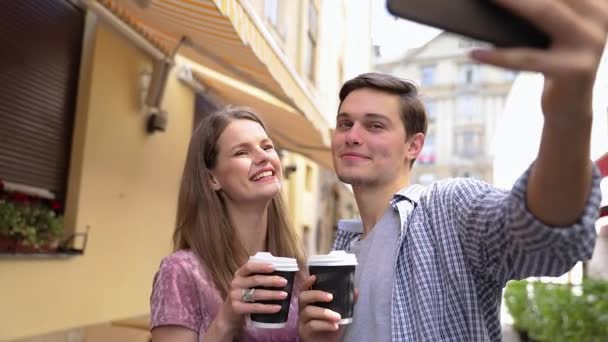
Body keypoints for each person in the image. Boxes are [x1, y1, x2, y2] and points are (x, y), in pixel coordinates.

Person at [298, 1, 607, 341]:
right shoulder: (343, 249)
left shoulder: (446, 208)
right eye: (345, 123)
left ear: (414, 146)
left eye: (374, 126)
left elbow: (541, 238)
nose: (353, 136)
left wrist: (568, 110)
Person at [150, 106, 306, 342]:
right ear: (212, 178)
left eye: (267, 147)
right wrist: (227, 319)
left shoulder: (296, 270)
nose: (263, 157)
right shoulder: (182, 271)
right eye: (242, 152)